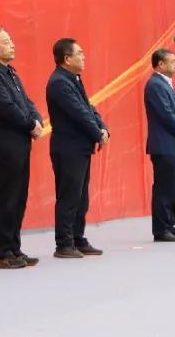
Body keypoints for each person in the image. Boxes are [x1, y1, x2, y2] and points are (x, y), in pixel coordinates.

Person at [0, 27, 44, 269]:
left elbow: (26, 102)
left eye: (11, 40)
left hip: (20, 142)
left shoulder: (10, 72)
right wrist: (30, 124)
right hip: (4, 142)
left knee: (18, 197)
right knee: (6, 197)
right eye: (6, 42)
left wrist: (37, 119)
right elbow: (6, 107)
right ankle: (2, 252)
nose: (12, 45)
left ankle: (14, 248)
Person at [47, 38, 109, 258]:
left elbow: (89, 108)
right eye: (79, 53)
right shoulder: (59, 82)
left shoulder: (73, 79)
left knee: (81, 197)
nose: (84, 57)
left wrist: (102, 127)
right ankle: (64, 244)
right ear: (67, 58)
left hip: (79, 147)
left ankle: (77, 238)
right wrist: (97, 134)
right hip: (68, 147)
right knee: (69, 197)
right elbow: (78, 113)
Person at [144, 49, 175, 243]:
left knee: (174, 187)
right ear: (160, 64)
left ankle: (170, 225)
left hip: (174, 144)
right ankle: (161, 229)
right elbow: (166, 114)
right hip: (164, 144)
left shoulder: (166, 83)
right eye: (171, 61)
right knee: (164, 188)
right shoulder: (155, 84)